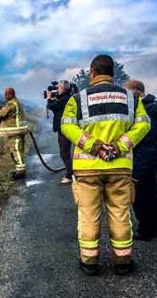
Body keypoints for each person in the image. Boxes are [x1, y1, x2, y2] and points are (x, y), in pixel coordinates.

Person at [61, 55, 151, 276]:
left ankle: (89, 262)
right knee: (120, 212)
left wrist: (94, 146)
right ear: (112, 73)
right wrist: (119, 147)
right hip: (120, 168)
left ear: (92, 73)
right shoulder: (131, 99)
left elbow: (67, 127)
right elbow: (144, 125)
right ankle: (123, 262)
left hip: (87, 169)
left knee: (88, 214)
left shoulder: (77, 99)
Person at [124, 80, 157, 241]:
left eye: (128, 92)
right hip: (151, 156)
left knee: (142, 195)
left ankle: (145, 230)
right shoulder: (153, 106)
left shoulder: (148, 109)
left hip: (145, 157)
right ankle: (151, 229)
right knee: (151, 193)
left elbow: (145, 136)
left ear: (137, 92)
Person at [0, 87, 28, 180]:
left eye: (7, 95)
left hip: (15, 131)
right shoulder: (17, 102)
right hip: (19, 131)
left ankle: (20, 172)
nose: (5, 97)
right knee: (18, 150)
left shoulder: (11, 104)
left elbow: (1, 114)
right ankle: (19, 169)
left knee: (16, 150)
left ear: (11, 94)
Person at [47, 80, 74, 184]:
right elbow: (56, 109)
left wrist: (49, 98)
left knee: (64, 153)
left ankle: (70, 175)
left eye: (58, 88)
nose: (57, 90)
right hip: (65, 128)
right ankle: (70, 171)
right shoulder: (66, 98)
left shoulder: (64, 99)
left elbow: (52, 106)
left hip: (64, 129)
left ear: (63, 89)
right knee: (65, 152)